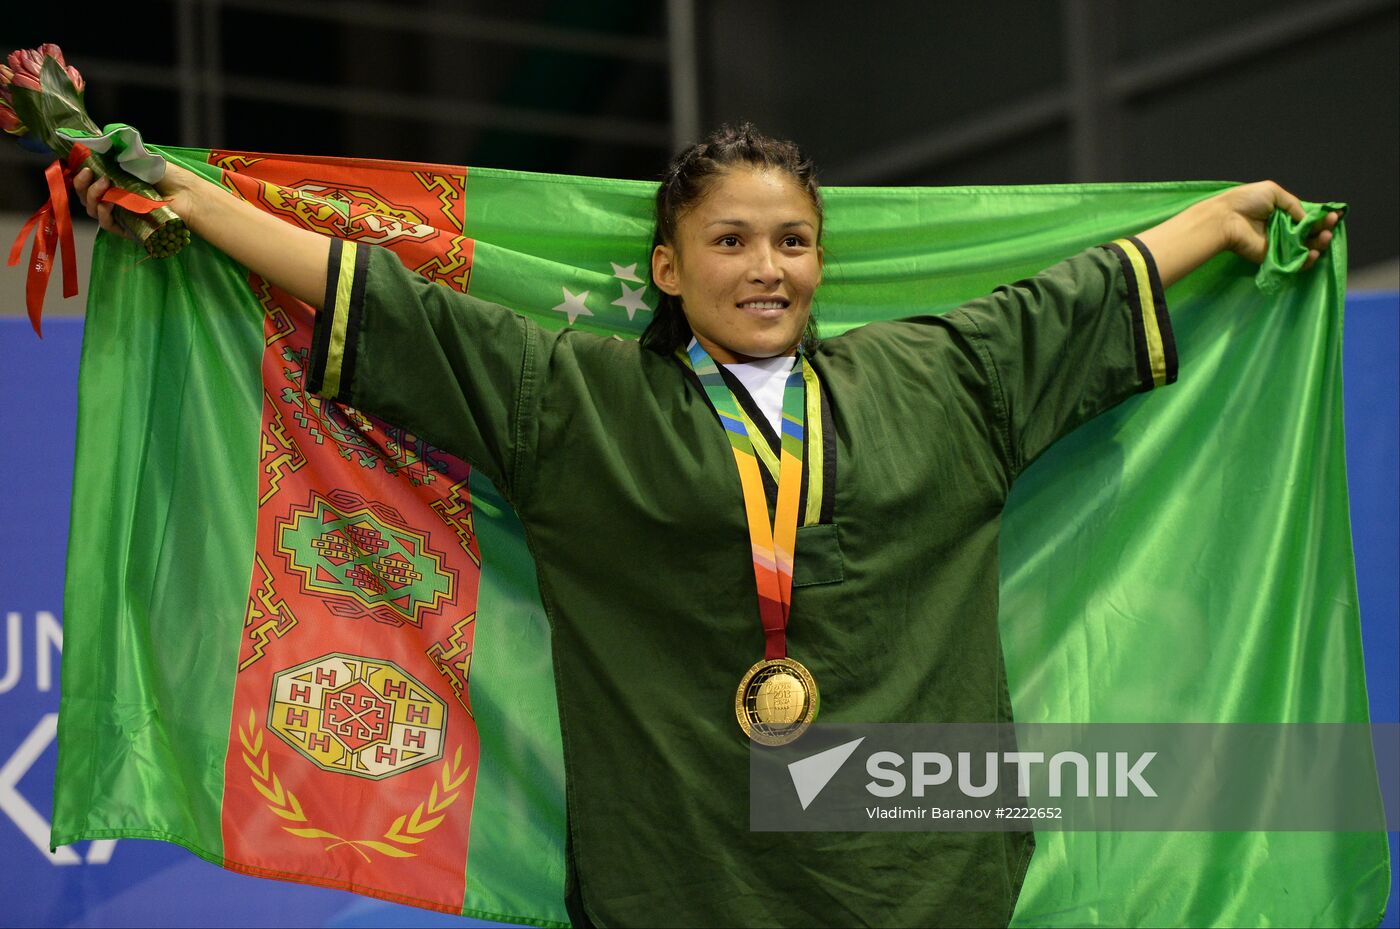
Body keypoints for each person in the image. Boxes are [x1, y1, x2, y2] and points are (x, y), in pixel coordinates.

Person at [74, 124, 1339, 928]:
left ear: (819, 259)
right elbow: (387, 304)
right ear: (668, 269)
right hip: (675, 879)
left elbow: (1084, 296)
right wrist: (179, 194)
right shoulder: (571, 398)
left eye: (791, 240)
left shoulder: (942, 375)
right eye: (728, 240)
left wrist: (1225, 217)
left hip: (919, 880)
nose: (766, 266)